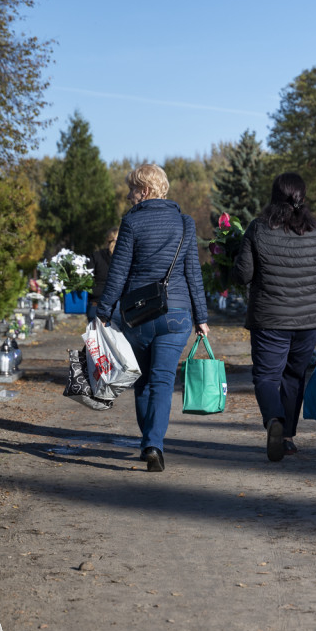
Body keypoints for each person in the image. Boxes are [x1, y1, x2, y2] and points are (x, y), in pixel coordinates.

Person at [96, 164, 209, 473]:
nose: (129, 196)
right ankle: (153, 443)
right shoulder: (185, 223)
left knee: (143, 381)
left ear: (145, 191)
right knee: (162, 380)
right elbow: (193, 272)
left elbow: (118, 274)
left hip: (139, 314)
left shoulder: (131, 222)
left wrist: (103, 313)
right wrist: (201, 317)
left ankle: (149, 441)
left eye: (132, 189)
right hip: (177, 314)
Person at [232, 172, 316, 462]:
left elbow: (243, 275)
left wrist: (234, 256)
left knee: (266, 376)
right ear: (302, 197)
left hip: (269, 318)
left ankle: (274, 419)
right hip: (309, 321)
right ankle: (287, 438)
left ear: (274, 197)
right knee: (294, 377)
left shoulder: (258, 228)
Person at [86, 226, 119, 321]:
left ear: (106, 239)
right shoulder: (124, 258)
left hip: (96, 303)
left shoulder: (96, 256)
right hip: (118, 305)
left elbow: (87, 279)